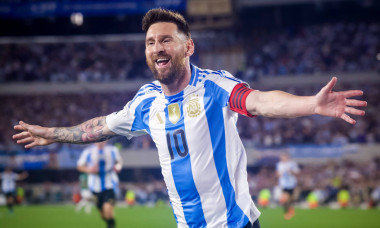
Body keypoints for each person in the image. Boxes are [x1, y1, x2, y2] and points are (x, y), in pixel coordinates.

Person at [12, 8, 367, 228]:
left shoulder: (214, 86)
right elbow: (100, 127)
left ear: (188, 46)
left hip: (233, 224)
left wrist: (310, 104)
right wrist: (54, 134)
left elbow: (258, 101)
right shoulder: (146, 102)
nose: (157, 48)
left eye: (166, 40)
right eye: (151, 42)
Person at [76, 141, 123, 228]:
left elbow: (119, 162)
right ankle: (111, 223)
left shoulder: (112, 150)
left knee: (107, 209)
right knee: (103, 215)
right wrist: (89, 170)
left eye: (102, 139)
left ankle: (111, 225)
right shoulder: (88, 151)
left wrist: (118, 167)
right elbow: (79, 166)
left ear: (105, 140)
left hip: (110, 186)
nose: (100, 142)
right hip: (95, 188)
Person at [276, 153, 299, 220]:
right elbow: (278, 174)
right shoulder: (279, 164)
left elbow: (297, 172)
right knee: (285, 199)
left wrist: (291, 171)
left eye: (284, 157)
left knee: (289, 199)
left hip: (291, 184)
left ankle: (289, 212)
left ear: (287, 157)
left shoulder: (292, 164)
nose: (283, 159)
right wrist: (280, 174)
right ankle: (288, 213)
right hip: (284, 184)